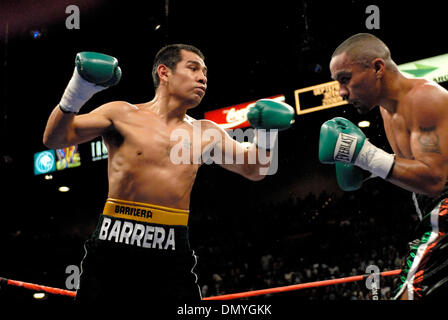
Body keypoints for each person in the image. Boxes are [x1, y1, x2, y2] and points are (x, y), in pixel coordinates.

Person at [43, 44, 294, 302]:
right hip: (114, 244)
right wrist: (79, 88)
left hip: (172, 249)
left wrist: (266, 134)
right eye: (193, 68)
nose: (203, 78)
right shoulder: (121, 114)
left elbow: (255, 170)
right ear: (164, 72)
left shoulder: (206, 132)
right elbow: (55, 138)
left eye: (205, 72)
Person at [319, 33, 448, 300]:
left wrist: (365, 155)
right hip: (430, 210)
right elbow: (415, 172)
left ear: (378, 68)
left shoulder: (425, 99)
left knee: (409, 294)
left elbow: (435, 181)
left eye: (345, 79)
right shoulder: (386, 109)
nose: (342, 92)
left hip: (443, 211)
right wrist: (365, 167)